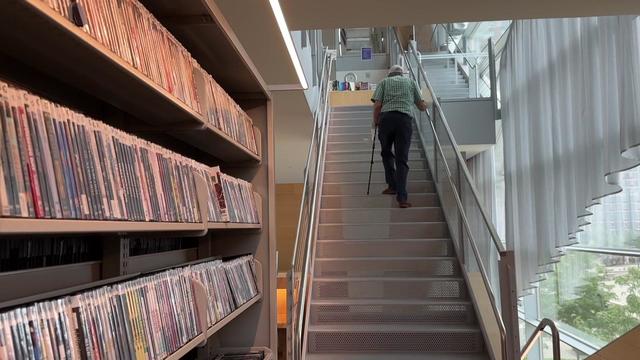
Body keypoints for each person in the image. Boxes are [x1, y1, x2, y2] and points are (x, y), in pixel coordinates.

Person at [371, 65, 428, 208]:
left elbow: (377, 105)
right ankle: (402, 198)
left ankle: (392, 185)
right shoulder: (410, 82)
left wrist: (376, 121)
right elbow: (421, 106)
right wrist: (428, 103)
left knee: (386, 153)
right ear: (402, 74)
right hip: (404, 121)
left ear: (389, 74)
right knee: (402, 159)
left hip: (386, 120)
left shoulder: (383, 83)